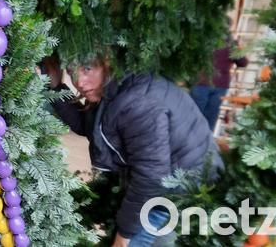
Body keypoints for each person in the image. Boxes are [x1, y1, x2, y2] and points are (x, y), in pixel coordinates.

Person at [49, 55, 222, 247]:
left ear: (107, 62)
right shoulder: (118, 86)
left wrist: (123, 236)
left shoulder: (136, 102)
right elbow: (90, 125)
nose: (80, 82)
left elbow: (150, 177)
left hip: (179, 195)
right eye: (72, 72)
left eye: (87, 69)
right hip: (165, 185)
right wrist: (56, 87)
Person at [190, 28, 249, 130]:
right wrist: (240, 49)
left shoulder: (202, 38)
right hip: (220, 85)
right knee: (210, 116)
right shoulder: (231, 44)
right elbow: (243, 62)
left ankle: (184, 137)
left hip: (201, 82)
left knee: (192, 114)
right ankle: (206, 139)